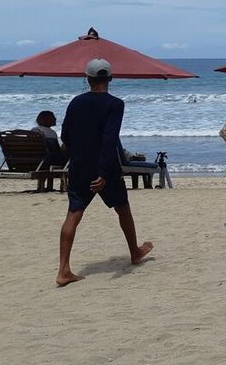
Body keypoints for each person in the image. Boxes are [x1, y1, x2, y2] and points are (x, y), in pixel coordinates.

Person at [56, 59, 153, 286]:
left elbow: (66, 136)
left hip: (79, 166)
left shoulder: (75, 103)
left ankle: (63, 270)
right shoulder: (115, 104)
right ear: (110, 78)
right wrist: (102, 173)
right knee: (122, 208)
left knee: (73, 213)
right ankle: (135, 252)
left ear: (87, 79)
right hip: (105, 167)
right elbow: (109, 140)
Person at [32, 110, 67, 191]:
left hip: (35, 161)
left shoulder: (33, 130)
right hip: (47, 162)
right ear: (47, 120)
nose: (55, 118)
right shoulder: (51, 133)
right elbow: (56, 151)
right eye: (53, 117)